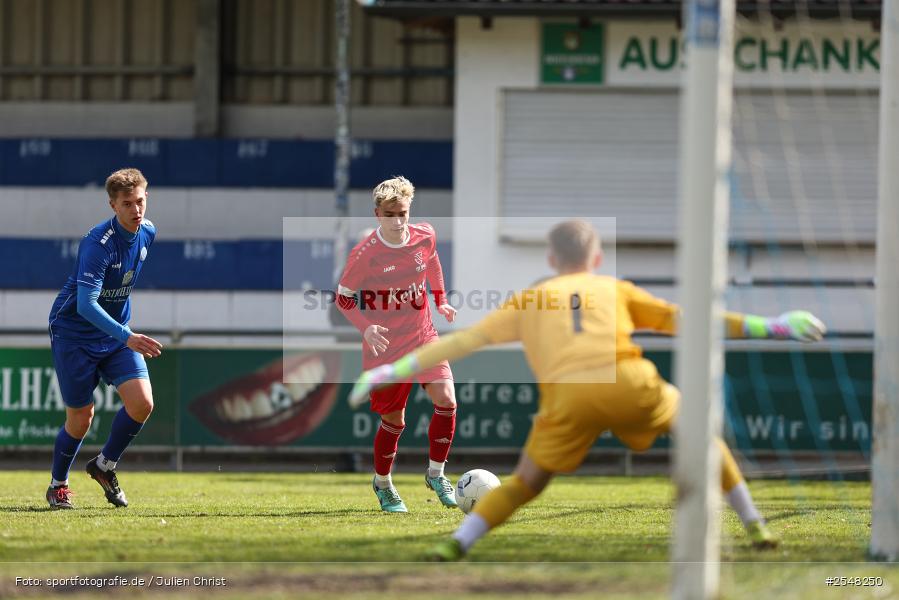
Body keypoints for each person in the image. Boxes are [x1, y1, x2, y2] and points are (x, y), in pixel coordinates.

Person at [349, 219, 826, 559]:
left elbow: (466, 340)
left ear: (553, 260)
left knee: (525, 483)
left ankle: (458, 542)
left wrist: (393, 369)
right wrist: (773, 326)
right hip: (630, 382)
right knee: (703, 439)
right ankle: (755, 523)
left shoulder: (531, 298)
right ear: (596, 259)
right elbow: (686, 320)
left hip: (568, 399)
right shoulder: (616, 288)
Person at [336, 176, 459, 512]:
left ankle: (436, 474)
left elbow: (431, 260)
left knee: (447, 400)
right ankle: (383, 483)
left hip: (423, 335)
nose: (397, 220)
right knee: (395, 421)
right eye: (390, 214)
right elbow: (343, 299)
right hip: (385, 347)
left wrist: (441, 300)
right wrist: (365, 328)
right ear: (378, 214)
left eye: (402, 212)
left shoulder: (425, 234)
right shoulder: (365, 255)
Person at [46, 168, 162, 509]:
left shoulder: (149, 233)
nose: (136, 210)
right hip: (74, 333)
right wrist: (127, 336)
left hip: (114, 334)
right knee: (81, 419)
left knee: (142, 403)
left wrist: (122, 334)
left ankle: (104, 465)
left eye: (140, 201)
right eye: (127, 204)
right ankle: (58, 485)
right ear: (113, 205)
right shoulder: (98, 244)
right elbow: (85, 304)